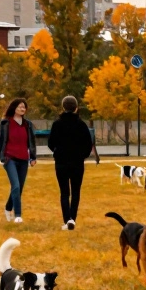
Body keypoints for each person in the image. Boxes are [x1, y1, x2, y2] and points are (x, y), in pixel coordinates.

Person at [47, 95, 97, 230]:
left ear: (63, 107)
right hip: (77, 163)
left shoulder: (57, 124)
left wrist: (58, 152)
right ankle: (72, 219)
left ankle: (66, 219)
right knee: (75, 192)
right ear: (76, 108)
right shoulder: (81, 125)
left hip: (61, 162)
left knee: (64, 192)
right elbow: (88, 144)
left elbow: (51, 143)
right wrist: (82, 156)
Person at [0, 98, 37, 224]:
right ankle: (18, 215)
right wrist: (2, 157)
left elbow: (31, 141)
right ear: (14, 108)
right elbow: (0, 141)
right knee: (16, 185)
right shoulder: (5, 123)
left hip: (24, 159)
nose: (22, 109)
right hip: (10, 159)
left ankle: (8, 208)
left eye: (24, 107)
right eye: (20, 106)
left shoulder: (27, 124)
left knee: (19, 188)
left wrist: (33, 157)